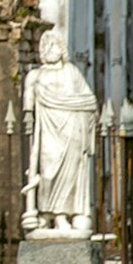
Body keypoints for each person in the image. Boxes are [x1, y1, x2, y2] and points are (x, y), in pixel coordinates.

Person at [22, 29, 99, 235]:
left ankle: (63, 216)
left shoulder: (71, 72)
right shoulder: (35, 75)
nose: (49, 50)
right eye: (45, 46)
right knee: (47, 171)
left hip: (71, 130)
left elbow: (89, 100)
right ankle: (46, 213)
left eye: (53, 45)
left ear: (62, 49)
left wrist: (81, 111)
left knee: (71, 174)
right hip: (48, 130)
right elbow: (28, 105)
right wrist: (28, 115)